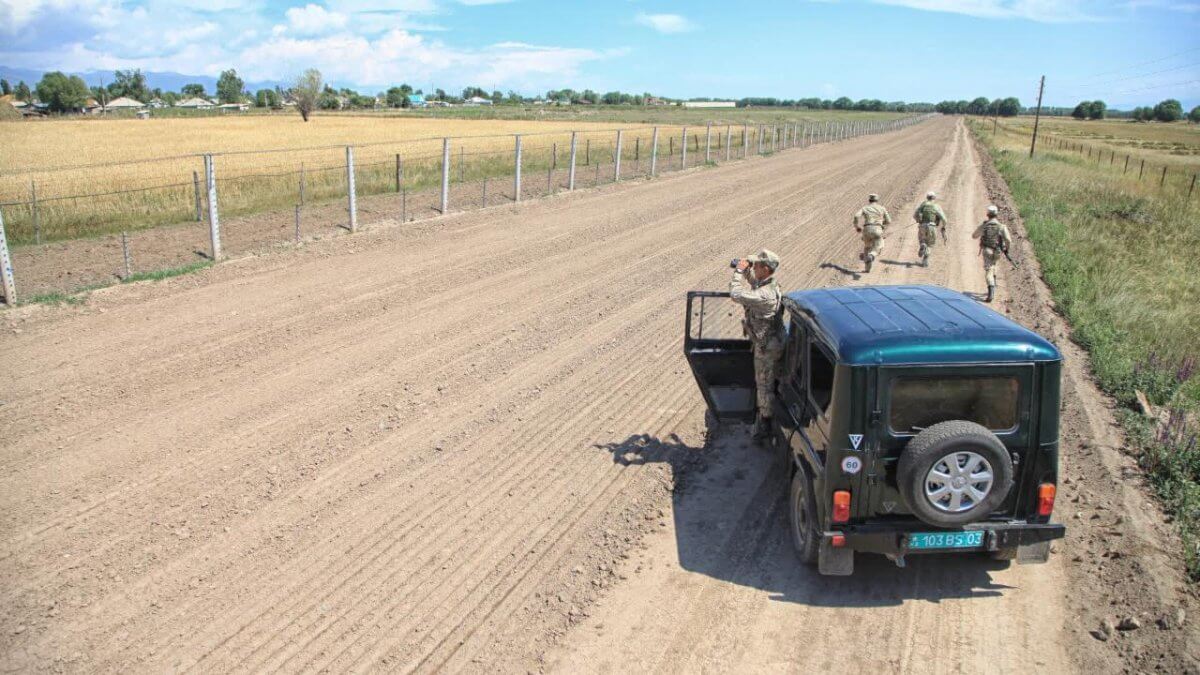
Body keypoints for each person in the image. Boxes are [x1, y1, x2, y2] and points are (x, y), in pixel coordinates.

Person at [730, 249, 783, 442]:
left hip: (766, 347)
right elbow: (755, 283)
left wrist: (738, 272)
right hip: (770, 341)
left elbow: (735, 294)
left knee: (764, 385)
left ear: (766, 268)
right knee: (768, 380)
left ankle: (765, 424)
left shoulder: (764, 295)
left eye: (758, 266)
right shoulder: (770, 284)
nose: (755, 268)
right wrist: (747, 270)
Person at [972, 205, 1012, 303]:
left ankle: (991, 291)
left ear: (987, 214)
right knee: (993, 265)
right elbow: (1008, 240)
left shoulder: (985, 225)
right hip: (998, 251)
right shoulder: (1002, 226)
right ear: (996, 215)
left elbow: (974, 235)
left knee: (988, 270)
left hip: (987, 251)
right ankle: (994, 280)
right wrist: (1007, 249)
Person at [853, 193, 891, 272]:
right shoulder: (882, 208)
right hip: (877, 229)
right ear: (877, 200)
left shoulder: (865, 208)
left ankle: (867, 268)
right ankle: (872, 255)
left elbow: (856, 216)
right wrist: (881, 224)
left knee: (867, 247)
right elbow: (889, 221)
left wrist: (857, 227)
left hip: (866, 229)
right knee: (878, 246)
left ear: (869, 200)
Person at [913, 191, 948, 267]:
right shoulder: (936, 206)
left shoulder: (923, 205)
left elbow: (915, 214)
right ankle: (925, 260)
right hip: (932, 226)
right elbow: (944, 219)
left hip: (922, 225)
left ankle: (922, 244)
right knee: (931, 243)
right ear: (934, 198)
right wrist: (943, 226)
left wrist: (918, 220)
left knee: (922, 239)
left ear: (927, 197)